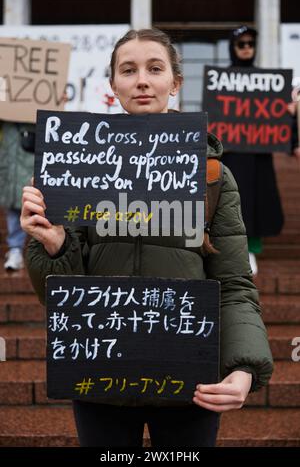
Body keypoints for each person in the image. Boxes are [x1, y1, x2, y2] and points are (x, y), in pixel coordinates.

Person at [20, 28, 273, 448]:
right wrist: (54, 245)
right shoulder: (76, 169)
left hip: (190, 384)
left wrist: (244, 367)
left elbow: (234, 283)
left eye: (155, 69)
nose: (141, 80)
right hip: (99, 377)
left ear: (175, 82)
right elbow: (57, 296)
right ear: (113, 84)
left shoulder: (213, 176)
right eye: (128, 69)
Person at [222, 26, 284, 276]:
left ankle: (251, 250)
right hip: (232, 154)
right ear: (233, 47)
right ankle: (236, 250)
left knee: (256, 200)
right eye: (242, 44)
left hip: (258, 153)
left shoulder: (267, 80)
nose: (247, 48)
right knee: (236, 199)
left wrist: (285, 112)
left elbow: (276, 118)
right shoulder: (221, 80)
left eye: (251, 43)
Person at [0, 122, 35, 271]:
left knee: (27, 202)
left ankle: (23, 250)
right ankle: (15, 249)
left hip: (28, 155)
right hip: (9, 158)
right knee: (13, 205)